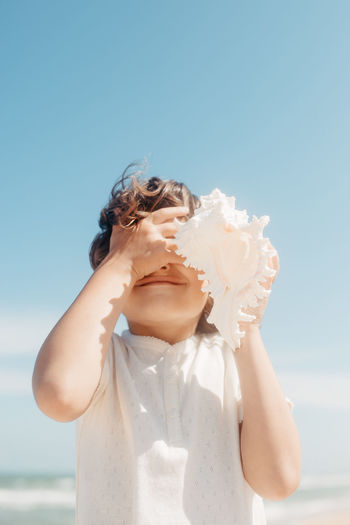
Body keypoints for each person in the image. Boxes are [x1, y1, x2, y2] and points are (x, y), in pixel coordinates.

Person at [32, 161, 302, 524]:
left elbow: (278, 480)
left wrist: (243, 325)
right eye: (144, 246)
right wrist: (122, 263)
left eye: (179, 245)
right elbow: (57, 394)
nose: (159, 261)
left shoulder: (233, 364)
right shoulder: (102, 359)